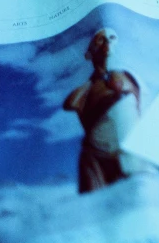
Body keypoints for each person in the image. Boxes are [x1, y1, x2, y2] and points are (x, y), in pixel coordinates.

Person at [63, 28, 150, 193]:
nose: (107, 44)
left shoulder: (133, 79)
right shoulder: (82, 94)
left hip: (134, 158)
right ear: (91, 51)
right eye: (100, 40)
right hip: (99, 164)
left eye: (111, 38)